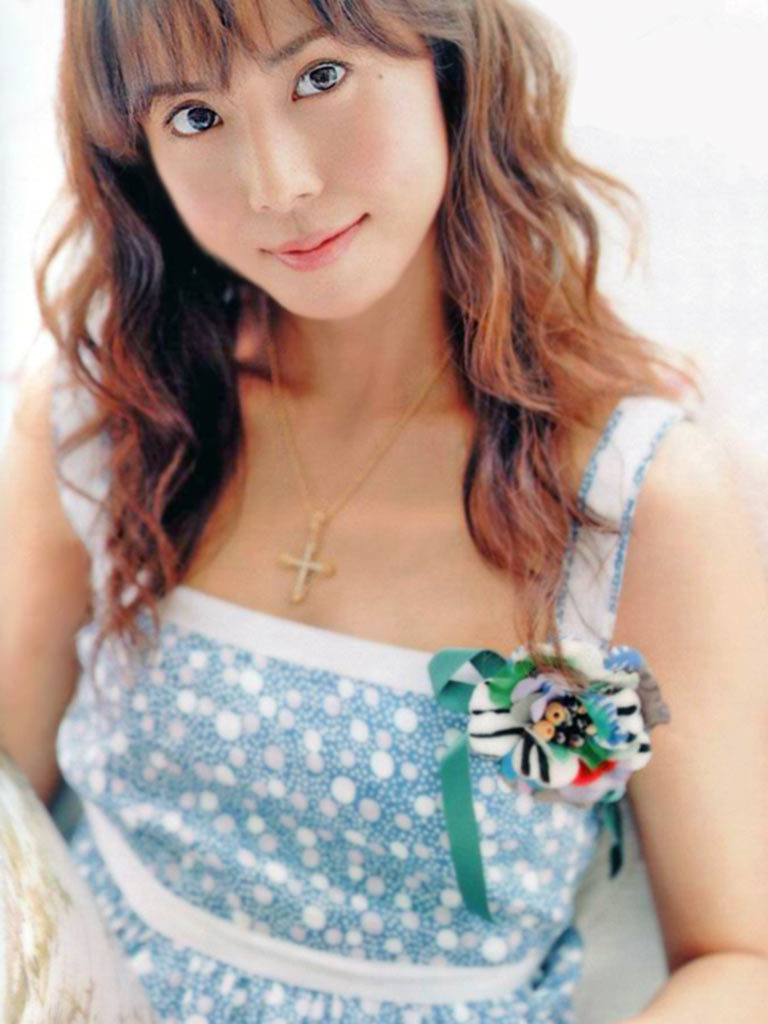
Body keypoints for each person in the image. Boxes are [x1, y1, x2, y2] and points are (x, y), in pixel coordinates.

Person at [2, 0, 768, 1021]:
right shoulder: (110, 422)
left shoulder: (636, 497)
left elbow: (741, 957)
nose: (279, 185)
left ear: (450, 65)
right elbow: (7, 805)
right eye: (195, 116)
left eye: (319, 77)